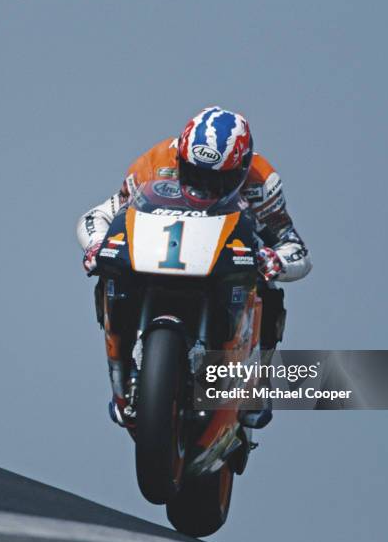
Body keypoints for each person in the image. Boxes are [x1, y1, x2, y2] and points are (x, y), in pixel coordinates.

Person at [77, 107, 312, 428]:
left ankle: (256, 381)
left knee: (268, 289)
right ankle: (121, 379)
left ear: (241, 168)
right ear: (181, 159)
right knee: (110, 272)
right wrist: (96, 243)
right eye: (195, 173)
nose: (204, 186)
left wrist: (275, 260)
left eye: (217, 179)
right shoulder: (154, 162)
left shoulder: (263, 181)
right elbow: (99, 215)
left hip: (223, 260)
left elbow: (296, 248)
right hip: (161, 255)